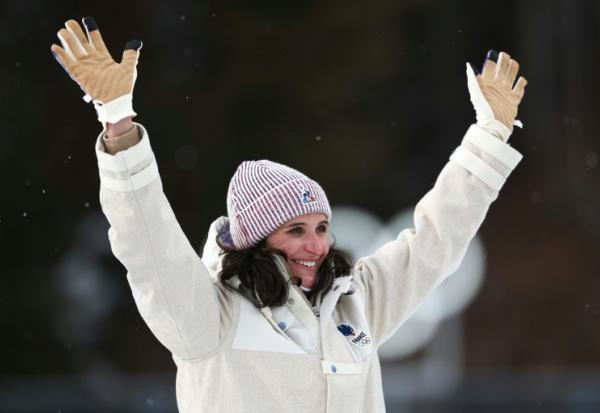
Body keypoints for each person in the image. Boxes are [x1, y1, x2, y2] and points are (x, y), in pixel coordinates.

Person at [51, 17, 527, 413]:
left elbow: (435, 241)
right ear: (256, 239)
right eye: (295, 230)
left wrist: (489, 138)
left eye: (320, 228)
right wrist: (118, 123)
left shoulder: (355, 306)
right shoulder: (207, 318)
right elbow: (148, 242)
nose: (316, 244)